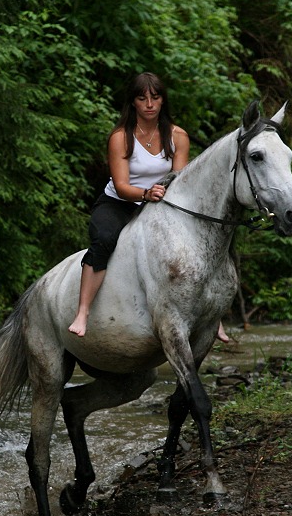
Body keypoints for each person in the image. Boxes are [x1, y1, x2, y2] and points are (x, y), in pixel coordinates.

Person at [68, 72, 231, 342]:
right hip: (120, 203)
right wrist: (146, 193)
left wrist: (162, 195)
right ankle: (83, 311)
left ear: (163, 100)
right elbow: (121, 185)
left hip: (163, 203)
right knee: (104, 240)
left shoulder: (177, 136)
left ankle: (215, 319)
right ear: (133, 103)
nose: (149, 104)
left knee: (200, 246)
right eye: (142, 98)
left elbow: (180, 180)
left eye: (155, 98)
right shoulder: (120, 137)